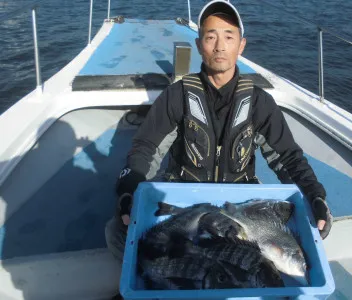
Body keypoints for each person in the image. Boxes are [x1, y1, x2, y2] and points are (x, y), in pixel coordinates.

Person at [106, 0, 333, 298]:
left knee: (314, 231)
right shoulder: (178, 95)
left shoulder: (260, 102)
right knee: (116, 232)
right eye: (211, 37)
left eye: (229, 36)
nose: (219, 46)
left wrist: (316, 195)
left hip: (240, 201)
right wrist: (127, 191)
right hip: (183, 195)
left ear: (241, 45)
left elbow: (288, 157)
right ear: (200, 45)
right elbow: (146, 147)